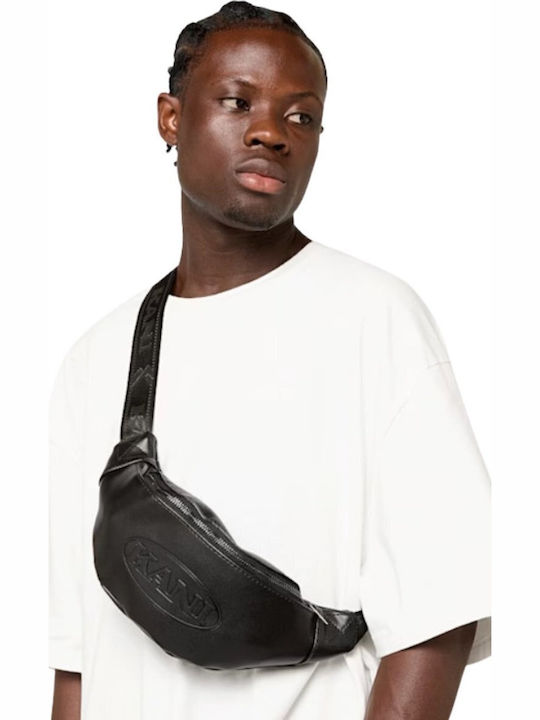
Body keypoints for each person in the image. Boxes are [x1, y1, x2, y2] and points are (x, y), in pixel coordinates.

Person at [49, 2, 491, 718]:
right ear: (170, 118)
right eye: (238, 102)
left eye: (302, 116)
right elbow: (79, 652)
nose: (271, 133)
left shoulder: (375, 319)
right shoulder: (97, 358)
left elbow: (437, 614)